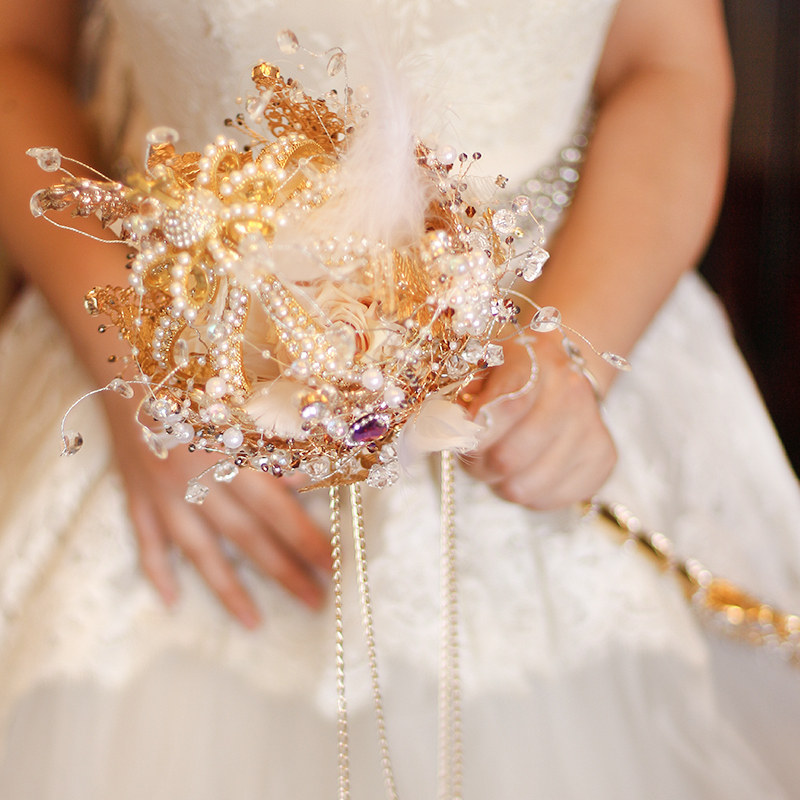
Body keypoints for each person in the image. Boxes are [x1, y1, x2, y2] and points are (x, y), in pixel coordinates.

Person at [0, 0, 799, 798]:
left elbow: (666, 65)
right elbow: (16, 52)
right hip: (183, 401)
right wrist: (148, 363)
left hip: (561, 347)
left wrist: (573, 357)